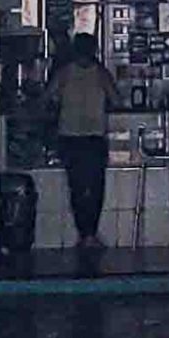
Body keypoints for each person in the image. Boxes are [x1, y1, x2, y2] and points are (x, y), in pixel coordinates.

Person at [44, 32, 121, 249]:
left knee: (76, 187)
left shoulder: (64, 73)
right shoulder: (101, 74)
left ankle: (83, 233)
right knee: (95, 187)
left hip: (69, 136)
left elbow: (47, 97)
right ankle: (91, 234)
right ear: (95, 50)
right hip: (94, 136)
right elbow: (116, 99)